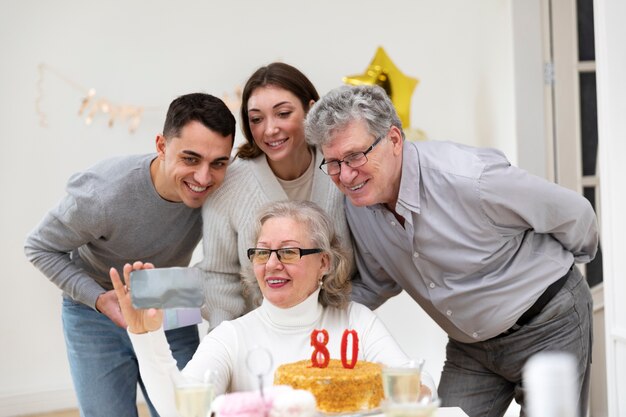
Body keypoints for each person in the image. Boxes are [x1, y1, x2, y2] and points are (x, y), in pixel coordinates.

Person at [304, 84, 598, 417]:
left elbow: (576, 215)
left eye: (355, 156)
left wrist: (559, 275)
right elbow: (377, 282)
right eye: (334, 163)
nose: (345, 174)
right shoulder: (357, 205)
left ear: (395, 140)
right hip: (470, 348)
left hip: (549, 324)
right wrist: (307, 317)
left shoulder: (472, 178)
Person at [24, 93, 236, 417]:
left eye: (218, 162)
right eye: (190, 159)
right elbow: (39, 246)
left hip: (166, 301)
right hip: (95, 312)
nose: (204, 177)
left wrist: (184, 289)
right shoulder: (102, 194)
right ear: (162, 146)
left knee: (187, 412)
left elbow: (232, 256)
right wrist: (98, 298)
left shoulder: (222, 189)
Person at [109, 200, 411, 416]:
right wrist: (146, 336)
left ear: (324, 262)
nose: (272, 264)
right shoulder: (233, 336)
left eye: (289, 252)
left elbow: (416, 388)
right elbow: (181, 410)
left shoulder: (357, 322)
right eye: (263, 252)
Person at [197, 62, 353, 328]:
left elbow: (364, 264)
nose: (269, 130)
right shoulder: (229, 183)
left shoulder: (344, 170)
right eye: (257, 119)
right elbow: (218, 276)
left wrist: (344, 323)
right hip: (257, 340)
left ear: (311, 110)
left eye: (282, 113)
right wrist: (222, 344)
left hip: (333, 335)